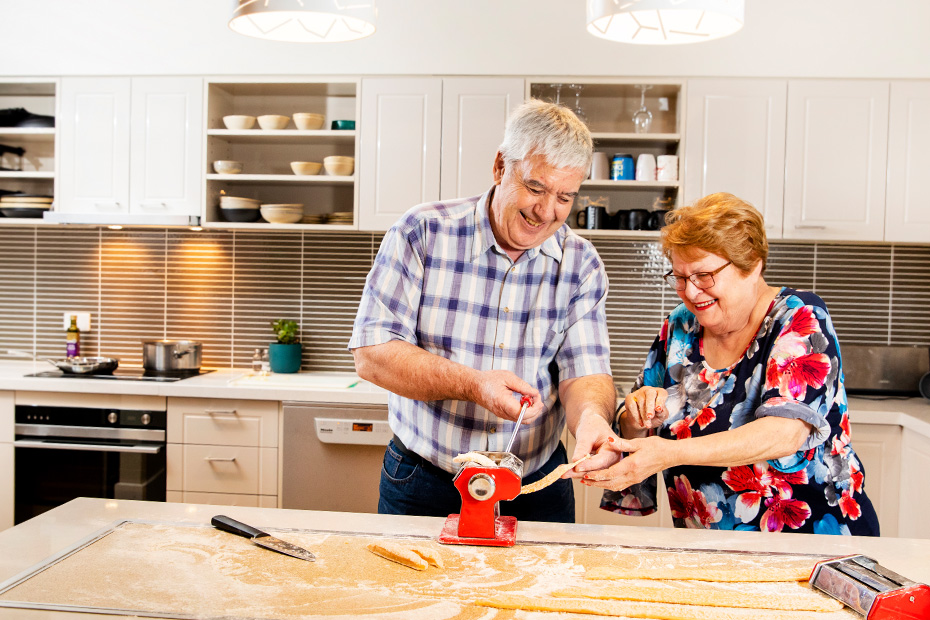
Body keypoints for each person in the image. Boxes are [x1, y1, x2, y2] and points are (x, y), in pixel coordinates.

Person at [348, 99, 623, 523]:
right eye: (535, 188)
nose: (547, 211)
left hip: (535, 486)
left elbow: (585, 372)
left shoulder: (581, 264)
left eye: (565, 197)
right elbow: (372, 355)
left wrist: (590, 419)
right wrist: (476, 385)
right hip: (426, 479)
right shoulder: (421, 232)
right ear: (500, 167)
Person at [586, 192, 880, 536]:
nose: (691, 292)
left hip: (813, 543)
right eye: (680, 278)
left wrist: (667, 453)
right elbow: (633, 423)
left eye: (704, 275)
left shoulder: (800, 318)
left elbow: (783, 434)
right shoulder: (680, 326)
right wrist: (636, 413)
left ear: (751, 264)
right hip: (709, 547)